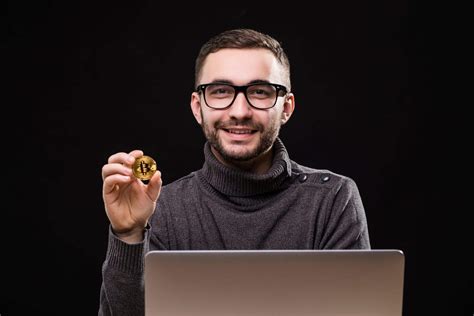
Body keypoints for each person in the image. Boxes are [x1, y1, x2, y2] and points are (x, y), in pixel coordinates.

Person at [98, 28, 370, 315]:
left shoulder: (332, 200)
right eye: (220, 91)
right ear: (197, 107)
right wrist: (128, 234)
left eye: (260, 92)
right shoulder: (160, 209)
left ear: (286, 107)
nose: (240, 111)